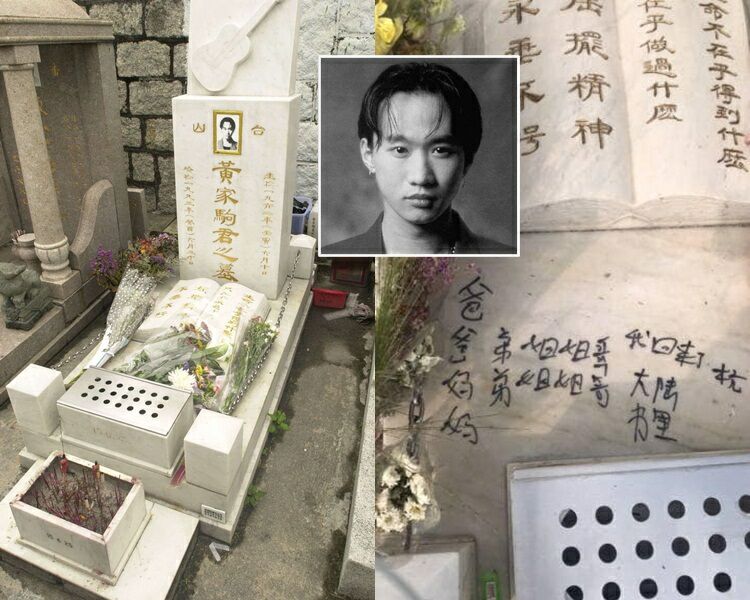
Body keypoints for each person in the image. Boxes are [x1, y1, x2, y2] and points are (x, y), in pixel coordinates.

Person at [325, 61, 514, 255]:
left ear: (466, 161)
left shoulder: (506, 259)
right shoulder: (334, 257)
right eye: (400, 150)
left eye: (440, 150)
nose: (421, 177)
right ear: (368, 155)